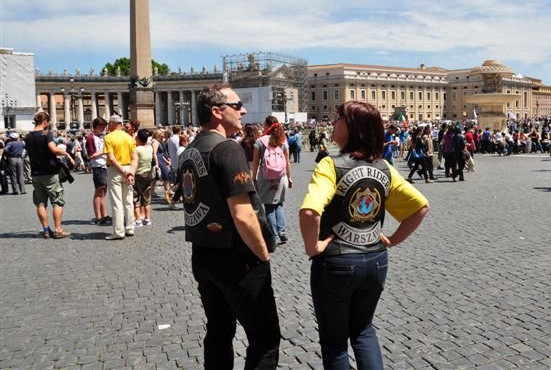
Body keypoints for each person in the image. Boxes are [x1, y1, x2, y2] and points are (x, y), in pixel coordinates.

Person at [299, 101, 429, 369]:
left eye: (338, 119)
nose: (333, 123)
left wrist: (312, 247)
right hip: (375, 261)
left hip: (337, 262)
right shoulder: (384, 167)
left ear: (352, 127)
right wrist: (392, 240)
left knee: (335, 341)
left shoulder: (330, 165)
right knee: (363, 330)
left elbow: (310, 211)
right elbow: (420, 207)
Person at [179, 84, 280, 369]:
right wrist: (263, 255)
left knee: (219, 331)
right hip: (236, 258)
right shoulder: (227, 149)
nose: (243, 110)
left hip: (203, 254)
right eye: (236, 106)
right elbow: (244, 215)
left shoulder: (190, 150)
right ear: (216, 111)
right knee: (264, 337)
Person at [24, 111, 74, 239]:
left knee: (40, 203)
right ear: (45, 121)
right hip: (49, 172)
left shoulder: (28, 136)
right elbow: (53, 149)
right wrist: (66, 154)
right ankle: (58, 230)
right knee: (57, 201)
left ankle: (46, 230)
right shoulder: (46, 134)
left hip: (35, 173)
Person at [252, 116, 292, 245]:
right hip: (281, 176)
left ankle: (274, 235)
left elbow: (256, 163)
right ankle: (282, 231)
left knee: (269, 206)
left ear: (267, 125)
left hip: (266, 177)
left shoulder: (260, 141)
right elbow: (288, 162)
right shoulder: (283, 140)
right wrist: (289, 177)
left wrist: (254, 177)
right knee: (279, 204)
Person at [103, 114, 138, 240]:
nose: (108, 125)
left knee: (117, 202)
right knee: (128, 201)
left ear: (113, 124)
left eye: (109, 123)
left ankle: (118, 231)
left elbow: (111, 158)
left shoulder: (108, 137)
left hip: (116, 170)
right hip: (129, 168)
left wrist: (123, 171)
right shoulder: (129, 137)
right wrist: (131, 173)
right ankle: (130, 227)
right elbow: (135, 158)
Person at [86, 117, 112, 225]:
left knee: (103, 192)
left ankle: (104, 215)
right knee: (99, 191)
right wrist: (104, 152)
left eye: (104, 126)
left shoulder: (103, 136)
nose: (104, 128)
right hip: (98, 166)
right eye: (102, 126)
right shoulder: (91, 138)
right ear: (96, 126)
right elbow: (91, 155)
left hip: (105, 165)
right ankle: (98, 217)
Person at [133, 129, 153, 227]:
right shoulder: (150, 148)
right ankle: (147, 219)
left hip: (138, 174)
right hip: (148, 173)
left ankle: (138, 220)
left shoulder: (136, 150)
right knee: (147, 197)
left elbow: (134, 162)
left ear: (138, 138)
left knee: (136, 197)